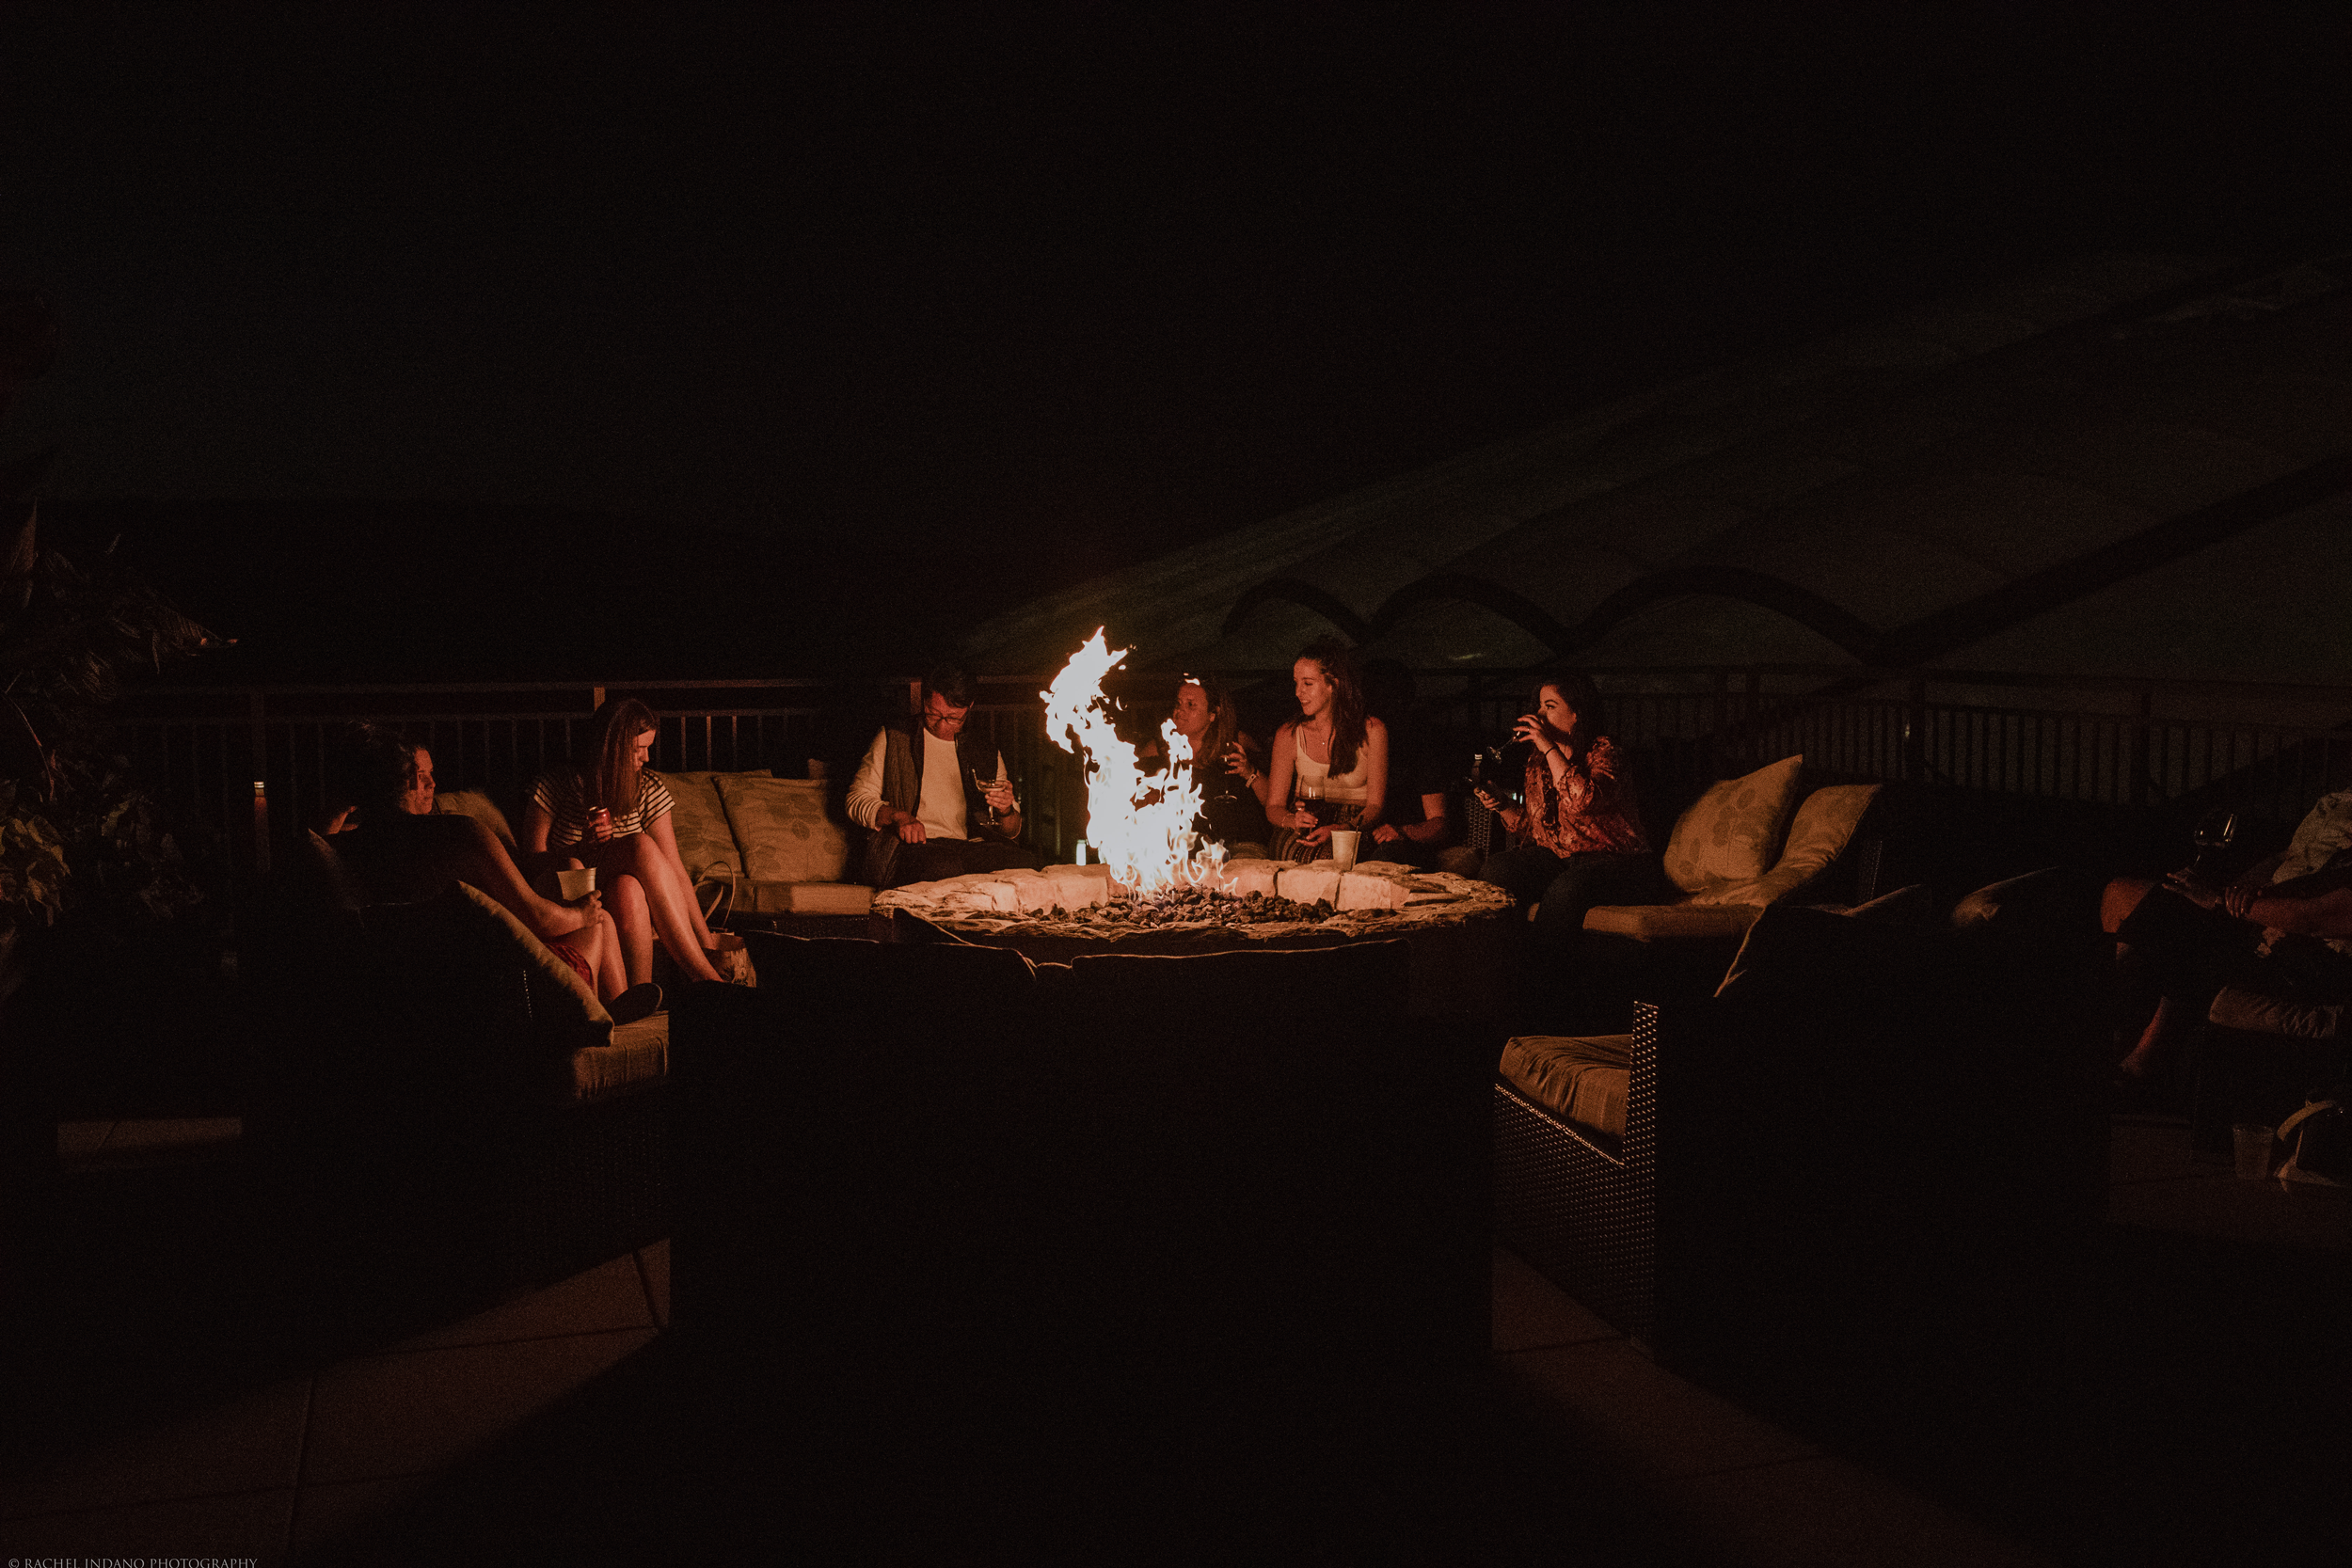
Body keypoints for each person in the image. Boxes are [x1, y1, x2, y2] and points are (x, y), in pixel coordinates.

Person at [326, 724, 662, 1023]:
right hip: (507, 994)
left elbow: (314, 843)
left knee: (580, 905)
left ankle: (610, 1012)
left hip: (408, 997)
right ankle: (598, 1019)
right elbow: (538, 918)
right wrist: (582, 914)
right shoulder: (459, 833)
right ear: (413, 778)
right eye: (422, 774)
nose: (431, 782)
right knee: (594, 920)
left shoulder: (336, 852)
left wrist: (340, 803)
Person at [2103, 795, 2352, 1082]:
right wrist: (2241, 888)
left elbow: (2312, 919)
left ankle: (2142, 1054)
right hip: (2270, 904)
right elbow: (2287, 856)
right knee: (2159, 899)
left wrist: (2220, 900)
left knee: (2190, 925)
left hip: (2309, 954)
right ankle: (2112, 1015)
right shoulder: (2336, 800)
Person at [519, 698, 730, 990]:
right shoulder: (557, 786)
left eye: (648, 747)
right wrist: (580, 849)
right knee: (640, 846)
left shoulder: (648, 789)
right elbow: (530, 861)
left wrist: (708, 945)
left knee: (627, 888)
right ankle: (707, 982)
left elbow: (675, 871)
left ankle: (641, 996)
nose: (646, 758)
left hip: (621, 897)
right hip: (571, 887)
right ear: (612, 748)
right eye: (638, 749)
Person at [1473, 670, 1666, 953]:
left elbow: (1584, 801)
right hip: (1562, 858)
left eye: (1550, 707)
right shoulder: (1538, 761)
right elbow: (1533, 827)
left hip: (1618, 861)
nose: (1540, 715)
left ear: (1576, 713)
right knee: (1499, 869)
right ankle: (1494, 960)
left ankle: (1547, 971)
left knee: (1567, 888)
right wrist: (1503, 805)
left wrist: (1548, 747)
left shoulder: (1604, 751)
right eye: (1539, 707)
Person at [847, 663, 1039, 888]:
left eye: (954, 718)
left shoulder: (983, 750)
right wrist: (899, 817)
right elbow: (856, 800)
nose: (941, 725)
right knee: (942, 866)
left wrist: (1005, 810)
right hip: (909, 847)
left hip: (968, 846)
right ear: (924, 701)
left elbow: (1011, 831)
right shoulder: (895, 737)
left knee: (1025, 863)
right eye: (933, 714)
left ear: (969, 707)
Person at [1262, 639, 1389, 863]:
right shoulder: (1289, 734)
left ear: (1333, 684)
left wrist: (1342, 828)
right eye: (1296, 683)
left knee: (1334, 860)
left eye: (1308, 683)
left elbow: (1375, 806)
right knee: (1293, 856)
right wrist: (1292, 820)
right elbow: (1274, 806)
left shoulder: (1372, 730)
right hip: (1305, 824)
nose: (1298, 692)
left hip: (1352, 825)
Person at [1360, 658, 1454, 868]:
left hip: (1402, 845)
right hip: (1361, 836)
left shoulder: (1419, 743)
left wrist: (1402, 832)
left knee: (1385, 857)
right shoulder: (1351, 738)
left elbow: (1439, 824)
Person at [1167, 674, 1271, 857]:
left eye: (1190, 705)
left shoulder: (1237, 743)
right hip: (1191, 846)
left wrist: (1250, 772)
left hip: (1241, 843)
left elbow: (1273, 800)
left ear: (1212, 714)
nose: (1179, 711)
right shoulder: (1161, 750)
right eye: (1179, 703)